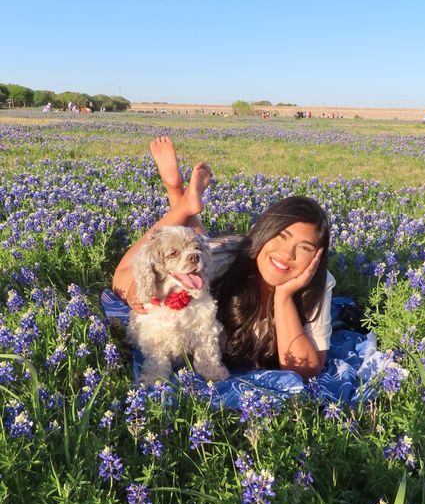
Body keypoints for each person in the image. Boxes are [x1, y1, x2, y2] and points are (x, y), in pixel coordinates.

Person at [112, 137, 334, 380]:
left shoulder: (318, 283)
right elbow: (125, 277)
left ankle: (182, 198)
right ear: (263, 232)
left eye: (304, 248)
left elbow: (305, 370)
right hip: (230, 254)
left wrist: (284, 298)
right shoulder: (229, 257)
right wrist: (138, 291)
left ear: (318, 256)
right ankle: (180, 199)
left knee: (193, 247)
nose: (287, 254)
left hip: (212, 257)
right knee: (188, 249)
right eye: (281, 236)